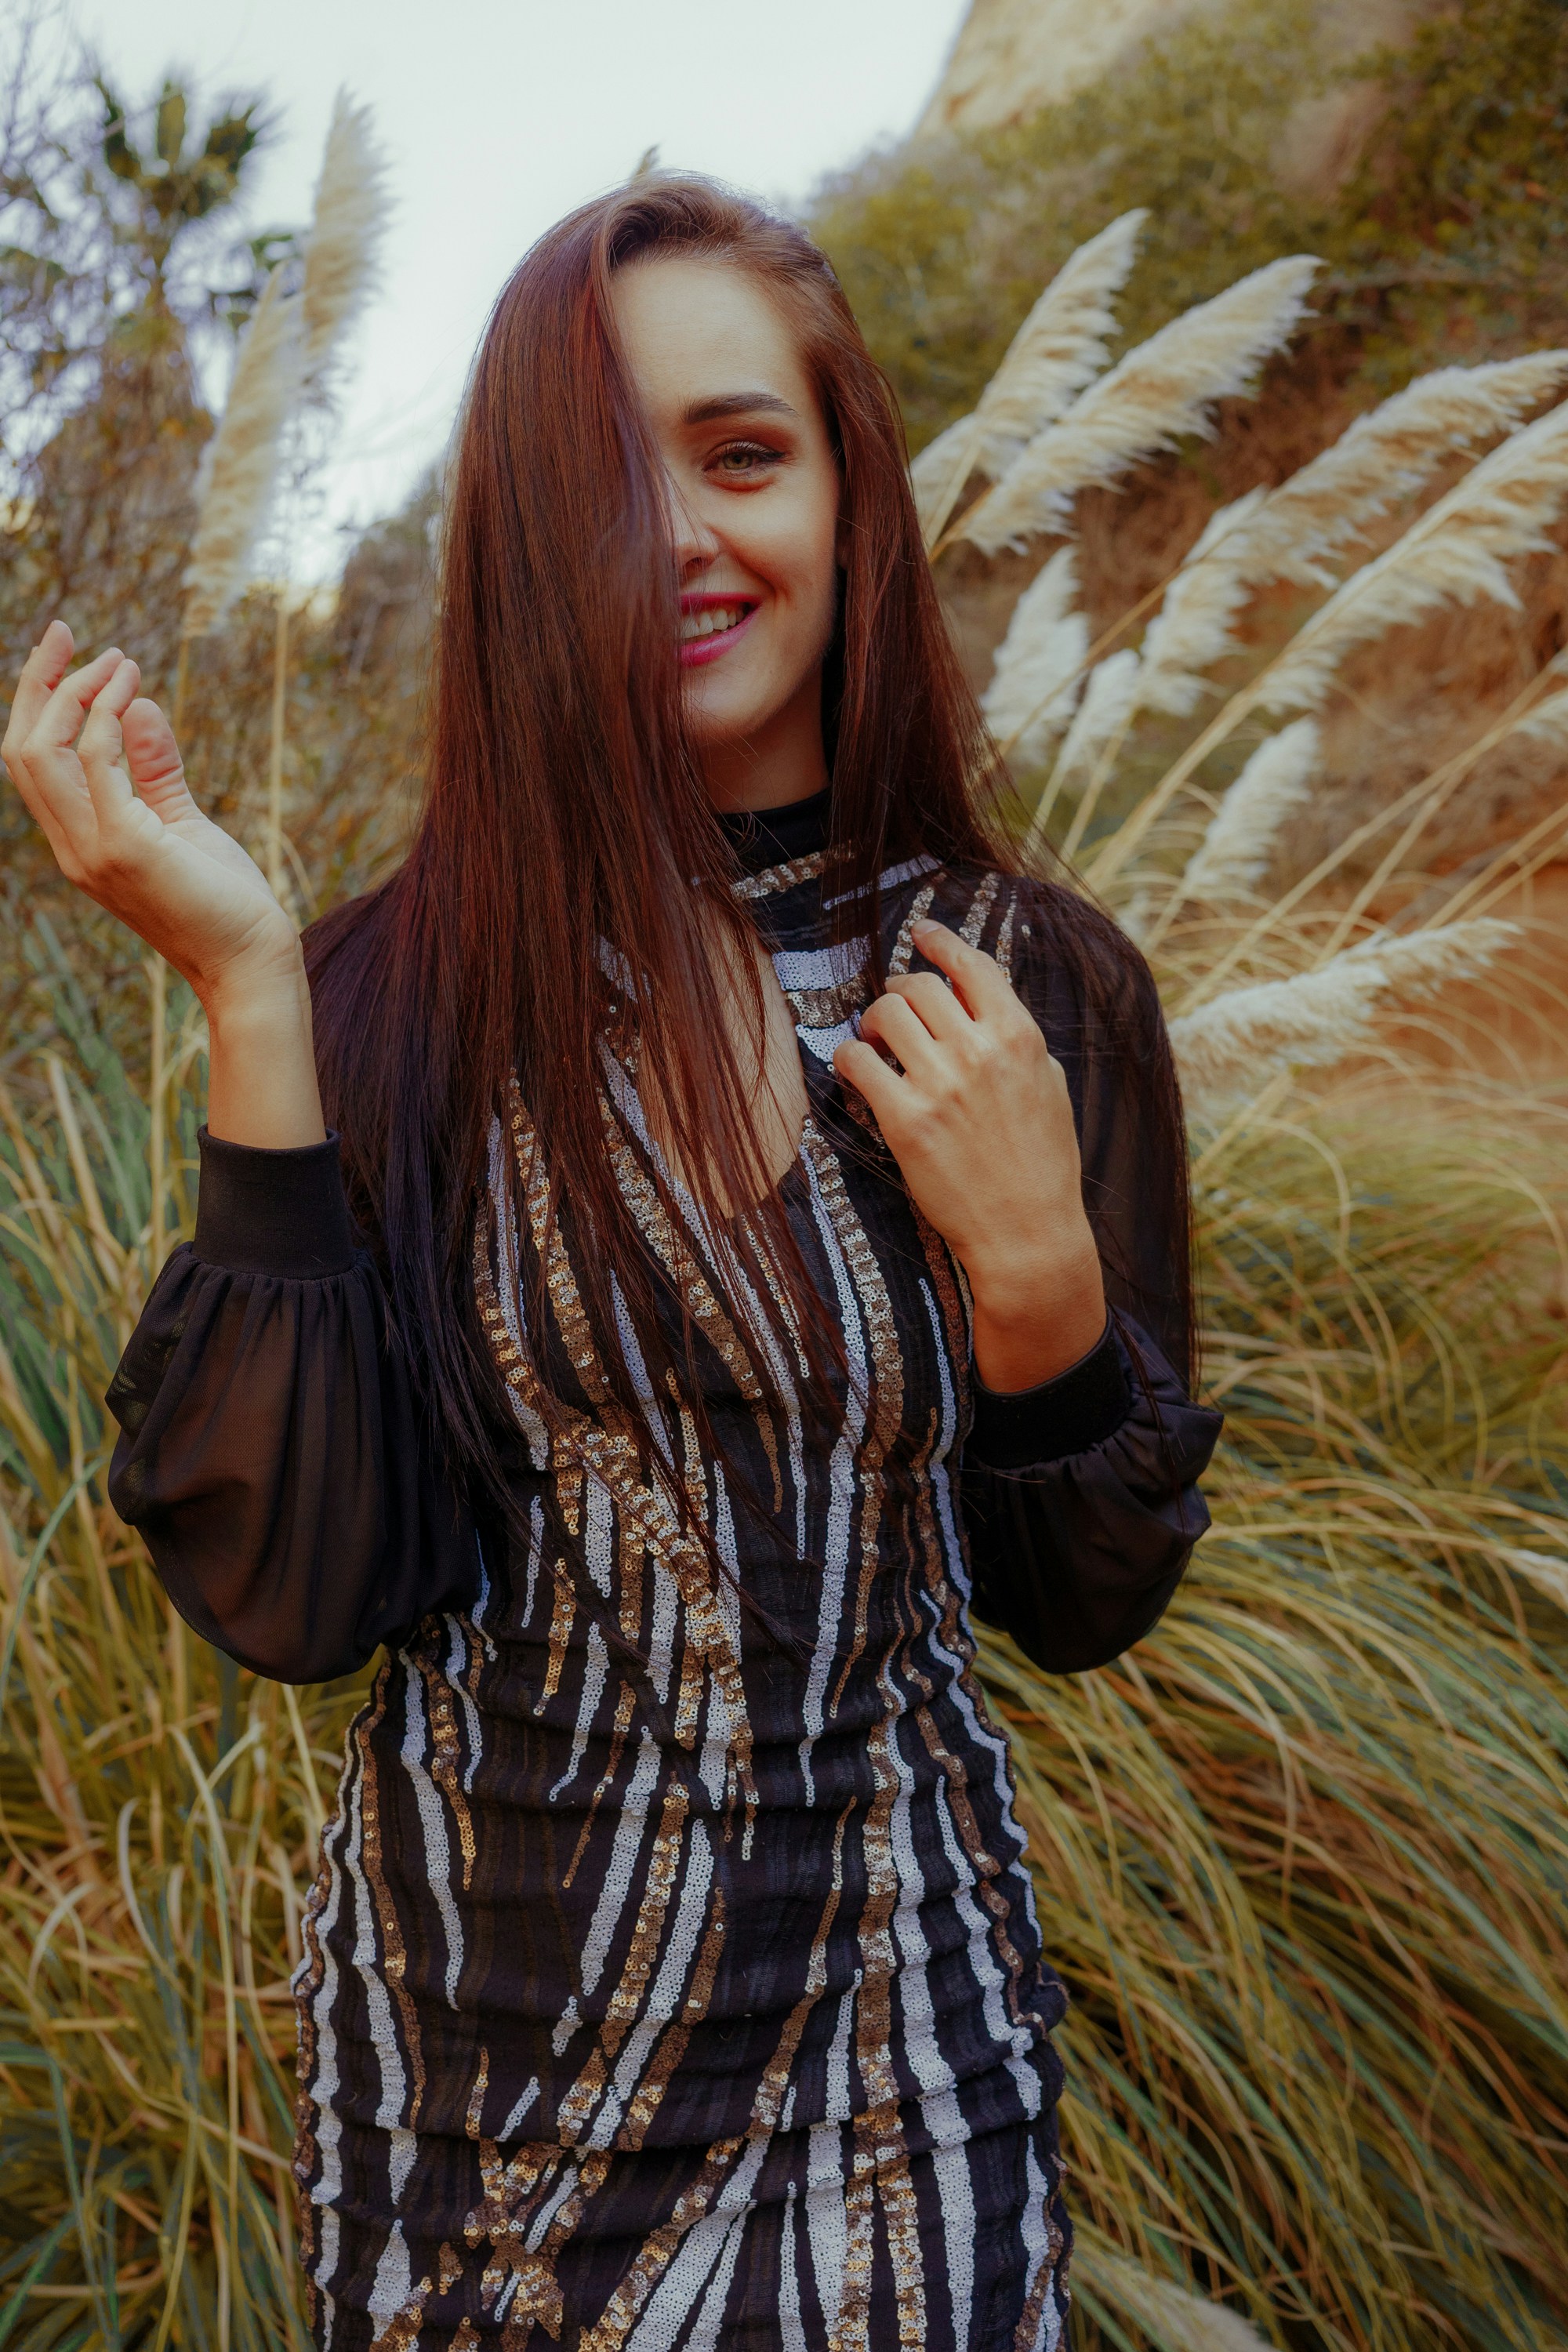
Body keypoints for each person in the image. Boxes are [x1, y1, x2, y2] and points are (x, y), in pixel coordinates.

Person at [2, 177, 1219, 2352]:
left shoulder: (1037, 986)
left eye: (741, 454)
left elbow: (1083, 1603)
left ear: (852, 491)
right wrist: (253, 993)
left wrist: (1036, 1274)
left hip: (905, 2073)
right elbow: (300, 1598)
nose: (675, 537)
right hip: (479, 2109)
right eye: (594, 480)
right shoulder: (393, 999)